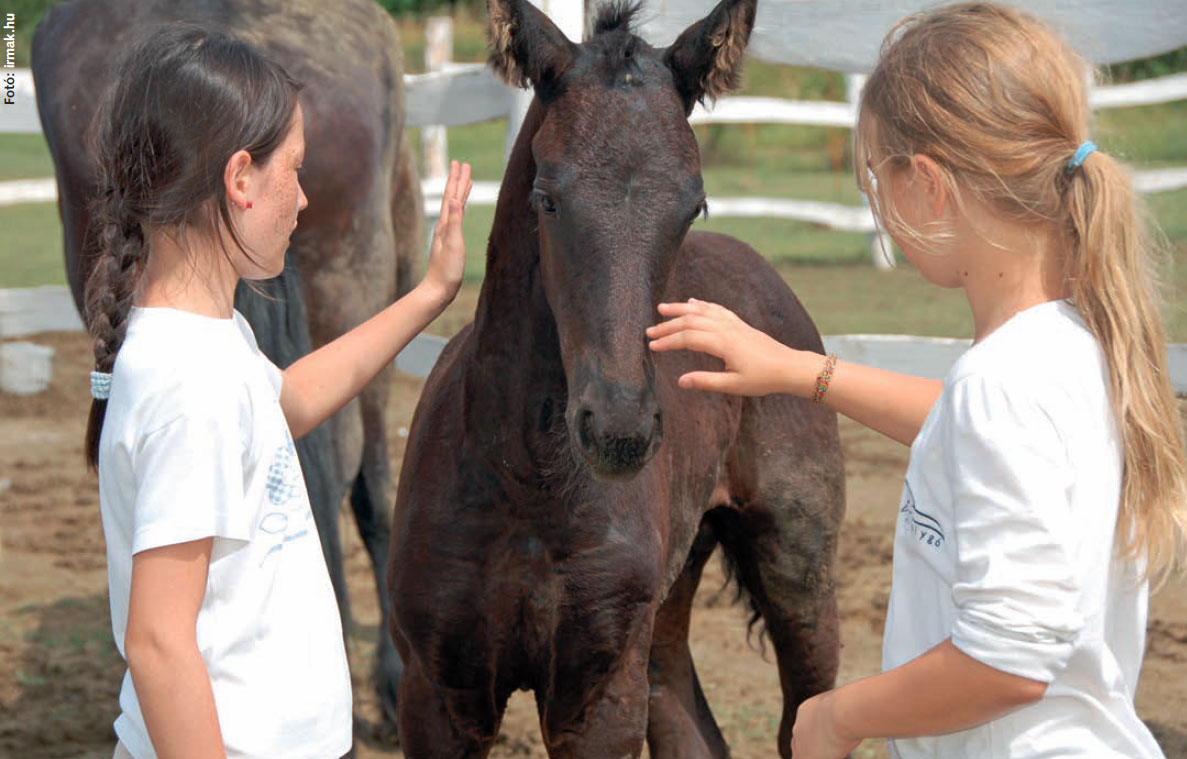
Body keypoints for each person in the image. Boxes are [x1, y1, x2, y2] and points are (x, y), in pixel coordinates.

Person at [646, 3, 1187, 758]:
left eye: (878, 175)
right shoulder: (1071, 348)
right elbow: (971, 430)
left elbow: (1008, 659)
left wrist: (839, 715)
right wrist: (799, 370)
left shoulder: (999, 385)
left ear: (928, 186)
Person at [83, 27, 472, 759]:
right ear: (239, 178)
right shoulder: (188, 384)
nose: (301, 197)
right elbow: (159, 642)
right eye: (293, 170)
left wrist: (428, 294)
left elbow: (284, 403)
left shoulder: (205, 338)